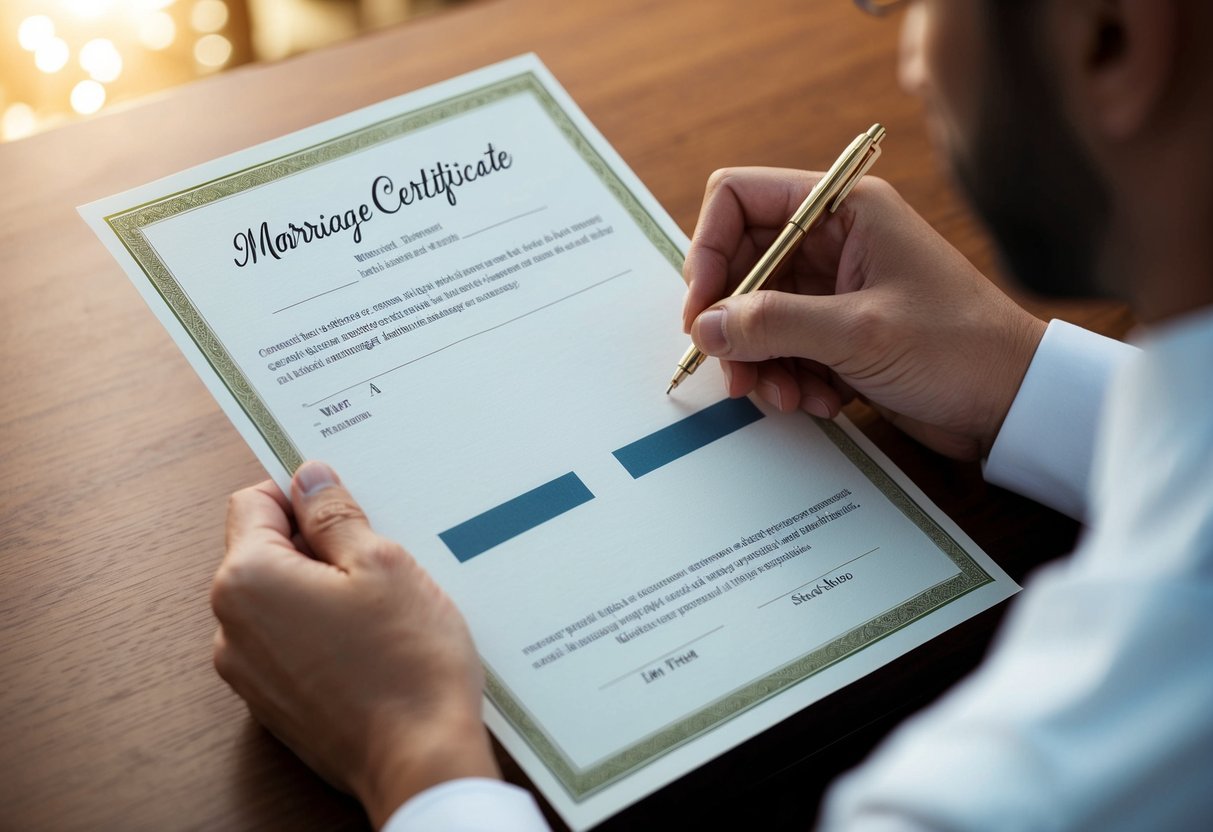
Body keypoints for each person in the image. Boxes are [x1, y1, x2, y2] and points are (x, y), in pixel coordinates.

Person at [210, 0, 1213, 828]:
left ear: (1111, 38)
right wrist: (1014, 382)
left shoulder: (1043, 774)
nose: (909, 60)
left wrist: (414, 756)